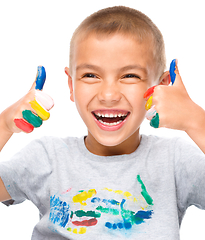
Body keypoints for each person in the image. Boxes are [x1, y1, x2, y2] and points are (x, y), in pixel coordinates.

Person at [0, 5, 205, 239]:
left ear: (162, 86)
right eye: (90, 75)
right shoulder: (47, 157)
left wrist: (196, 121)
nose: (108, 95)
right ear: (71, 86)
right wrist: (4, 125)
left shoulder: (176, 161)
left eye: (130, 76)